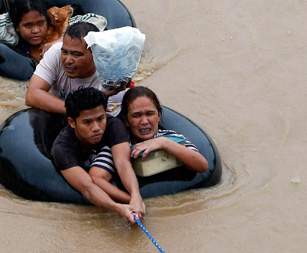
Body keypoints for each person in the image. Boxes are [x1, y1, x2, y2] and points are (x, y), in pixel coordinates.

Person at [90, 86, 209, 203]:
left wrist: (164, 143)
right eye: (136, 115)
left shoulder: (171, 138)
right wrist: (132, 200)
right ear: (126, 120)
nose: (144, 121)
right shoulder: (119, 145)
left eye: (150, 114)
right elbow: (95, 178)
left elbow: (202, 165)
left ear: (158, 116)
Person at [50, 87, 145, 223]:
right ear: (72, 122)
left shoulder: (113, 126)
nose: (96, 128)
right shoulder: (62, 149)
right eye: (87, 122)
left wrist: (136, 197)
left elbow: (123, 164)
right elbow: (87, 188)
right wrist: (118, 208)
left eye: (100, 118)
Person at [0, 0, 106, 75]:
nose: (36, 30)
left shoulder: (58, 24)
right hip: (21, 61)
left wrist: (62, 40)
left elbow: (98, 20)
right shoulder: (7, 25)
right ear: (17, 27)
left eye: (40, 23)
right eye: (28, 26)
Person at [25, 22, 129, 116]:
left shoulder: (112, 80)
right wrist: (76, 109)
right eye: (65, 52)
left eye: (76, 54)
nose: (67, 60)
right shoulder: (56, 52)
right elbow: (32, 95)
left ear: (96, 55)